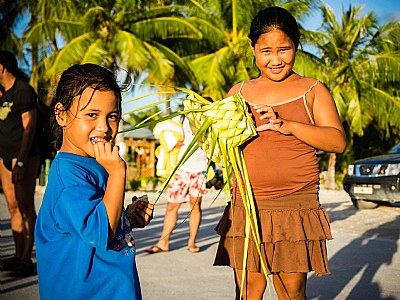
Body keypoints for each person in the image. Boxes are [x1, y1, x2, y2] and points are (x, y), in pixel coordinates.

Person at [213, 7, 347, 300]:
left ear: (297, 45)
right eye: (266, 51)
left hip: (294, 206)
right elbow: (222, 147)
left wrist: (288, 125)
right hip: (247, 204)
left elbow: (337, 141)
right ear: (252, 48)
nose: (275, 60)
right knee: (248, 290)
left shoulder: (311, 90)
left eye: (284, 50)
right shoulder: (238, 92)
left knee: (291, 290)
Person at [34, 63, 154, 299]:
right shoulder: (69, 176)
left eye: (112, 116)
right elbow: (99, 231)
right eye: (91, 115)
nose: (104, 127)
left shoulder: (95, 165)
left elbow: (97, 216)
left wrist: (126, 217)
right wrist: (118, 174)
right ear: (61, 115)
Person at [0, 50, 41, 277]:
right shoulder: (2, 94)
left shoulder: (23, 91)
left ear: (1, 67)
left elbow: (30, 128)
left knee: (25, 207)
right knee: (13, 206)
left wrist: (21, 162)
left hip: (24, 156)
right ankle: (18, 256)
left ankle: (26, 258)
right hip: (4, 155)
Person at [146, 116, 208, 254]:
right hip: (180, 169)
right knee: (172, 206)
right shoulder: (181, 118)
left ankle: (192, 243)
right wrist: (173, 142)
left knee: (195, 206)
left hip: (200, 170)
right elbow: (163, 129)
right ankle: (163, 242)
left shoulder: (211, 121)